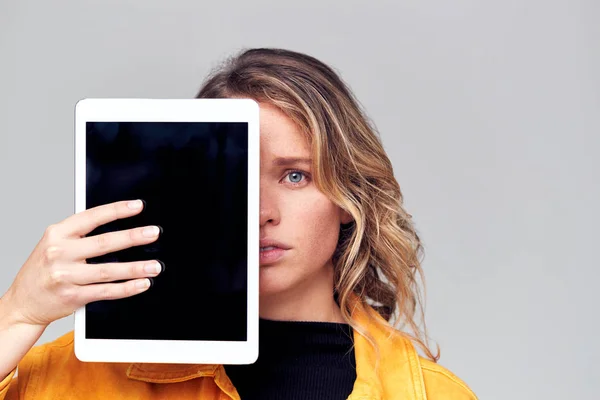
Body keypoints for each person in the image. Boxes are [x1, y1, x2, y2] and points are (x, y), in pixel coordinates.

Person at [0, 47, 477, 399]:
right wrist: (17, 315)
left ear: (348, 196)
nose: (261, 210)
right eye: (238, 177)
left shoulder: (431, 394)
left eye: (295, 175)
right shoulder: (67, 374)